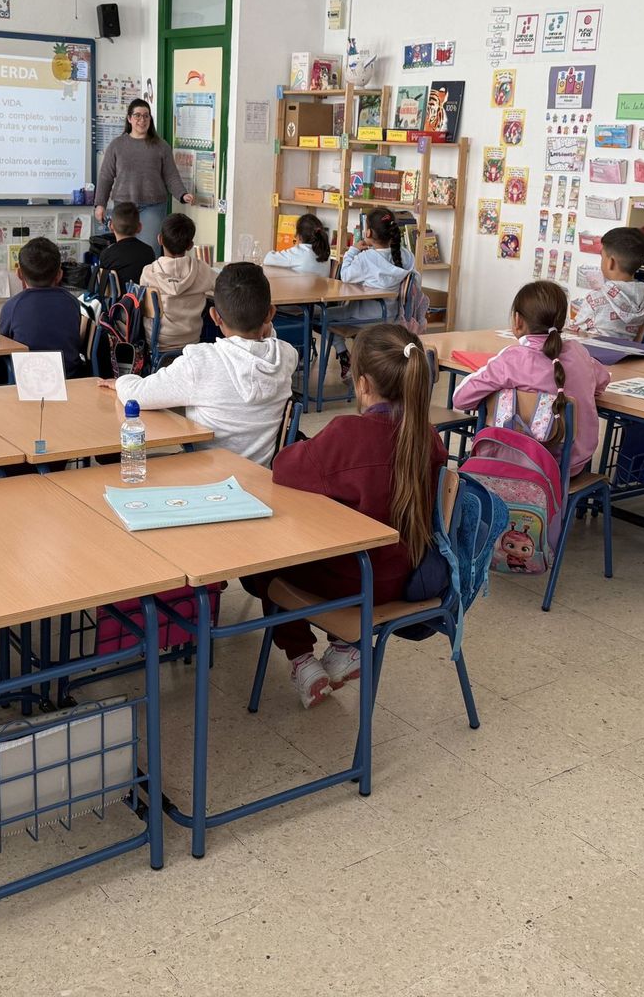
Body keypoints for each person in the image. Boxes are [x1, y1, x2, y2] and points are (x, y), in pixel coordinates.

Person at [249, 324, 447, 708]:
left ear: (362, 384)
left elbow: (284, 468)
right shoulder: (428, 437)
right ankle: (345, 647)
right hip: (406, 579)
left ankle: (302, 659)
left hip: (350, 584)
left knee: (265, 561)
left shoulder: (347, 434)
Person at [106, 262, 297, 465]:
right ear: (270, 314)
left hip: (205, 474)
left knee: (130, 464)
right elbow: (268, 343)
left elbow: (136, 396)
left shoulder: (200, 362)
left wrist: (121, 381)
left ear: (215, 316)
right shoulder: (286, 356)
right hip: (259, 475)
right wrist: (264, 325)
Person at [451, 280, 611, 477]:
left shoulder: (511, 359)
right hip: (570, 467)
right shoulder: (580, 352)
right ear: (562, 321)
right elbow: (602, 381)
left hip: (517, 465)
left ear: (517, 321)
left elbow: (460, 399)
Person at [93, 98, 193, 250]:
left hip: (153, 206)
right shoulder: (116, 145)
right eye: (137, 115)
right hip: (124, 206)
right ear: (129, 118)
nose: (142, 120)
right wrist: (100, 204)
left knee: (149, 249)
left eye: (146, 116)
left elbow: (171, 175)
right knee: (125, 251)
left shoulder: (161, 146)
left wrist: (182, 194)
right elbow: (105, 177)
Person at [331, 208, 415, 381]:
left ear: (368, 232)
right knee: (329, 315)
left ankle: (343, 354)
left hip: (363, 317)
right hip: (390, 317)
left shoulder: (366, 259)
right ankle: (352, 357)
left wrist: (353, 250)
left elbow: (345, 275)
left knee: (323, 316)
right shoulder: (406, 256)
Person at [0, 236, 85, 377]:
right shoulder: (72, 302)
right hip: (69, 377)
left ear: (19, 274)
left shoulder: (11, 306)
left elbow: (3, 345)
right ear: (59, 275)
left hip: (27, 380)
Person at [139, 212, 214, 356]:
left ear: (160, 239)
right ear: (190, 245)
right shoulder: (202, 269)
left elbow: (142, 306)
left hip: (157, 343)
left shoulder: (149, 272)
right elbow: (222, 286)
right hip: (192, 341)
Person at [568, 226, 644, 341]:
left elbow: (574, 333)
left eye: (602, 256)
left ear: (611, 262)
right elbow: (639, 337)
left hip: (594, 351)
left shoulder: (594, 298)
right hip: (628, 351)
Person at [97, 201, 156, 294]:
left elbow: (103, 288)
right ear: (139, 227)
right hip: (143, 301)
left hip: (117, 302)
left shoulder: (106, 254)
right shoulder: (149, 251)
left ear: (111, 226)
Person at [262, 212, 332, 276]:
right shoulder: (325, 252)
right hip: (321, 286)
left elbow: (268, 259)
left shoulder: (300, 252)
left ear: (300, 236)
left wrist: (296, 247)